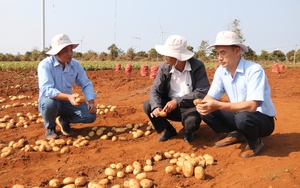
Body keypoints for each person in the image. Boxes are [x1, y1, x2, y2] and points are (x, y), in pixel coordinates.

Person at [196, 31, 276, 158]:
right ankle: (238, 133)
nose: (219, 58)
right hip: (239, 114)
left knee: (243, 117)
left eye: (223, 52)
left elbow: (252, 106)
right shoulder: (221, 72)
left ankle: (255, 143)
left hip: (261, 120)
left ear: (237, 51)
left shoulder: (254, 70)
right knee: (206, 111)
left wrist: (217, 105)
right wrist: (203, 105)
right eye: (217, 53)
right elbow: (211, 96)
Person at [143, 35, 210, 143]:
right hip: (169, 107)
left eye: (168, 55)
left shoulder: (197, 66)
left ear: (178, 57)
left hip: (190, 106)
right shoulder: (165, 67)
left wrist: (177, 101)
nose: (165, 57)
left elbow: (202, 91)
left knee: (192, 123)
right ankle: (169, 130)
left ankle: (188, 132)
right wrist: (156, 106)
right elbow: (155, 90)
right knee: (148, 105)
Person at [38, 34, 97, 140]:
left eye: (71, 50)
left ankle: (64, 120)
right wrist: (68, 97)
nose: (70, 54)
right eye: (65, 50)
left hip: (67, 102)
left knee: (90, 116)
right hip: (52, 101)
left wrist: (91, 102)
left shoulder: (75, 65)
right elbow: (46, 90)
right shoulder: (45, 65)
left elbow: (86, 83)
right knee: (49, 103)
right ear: (56, 52)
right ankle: (50, 128)